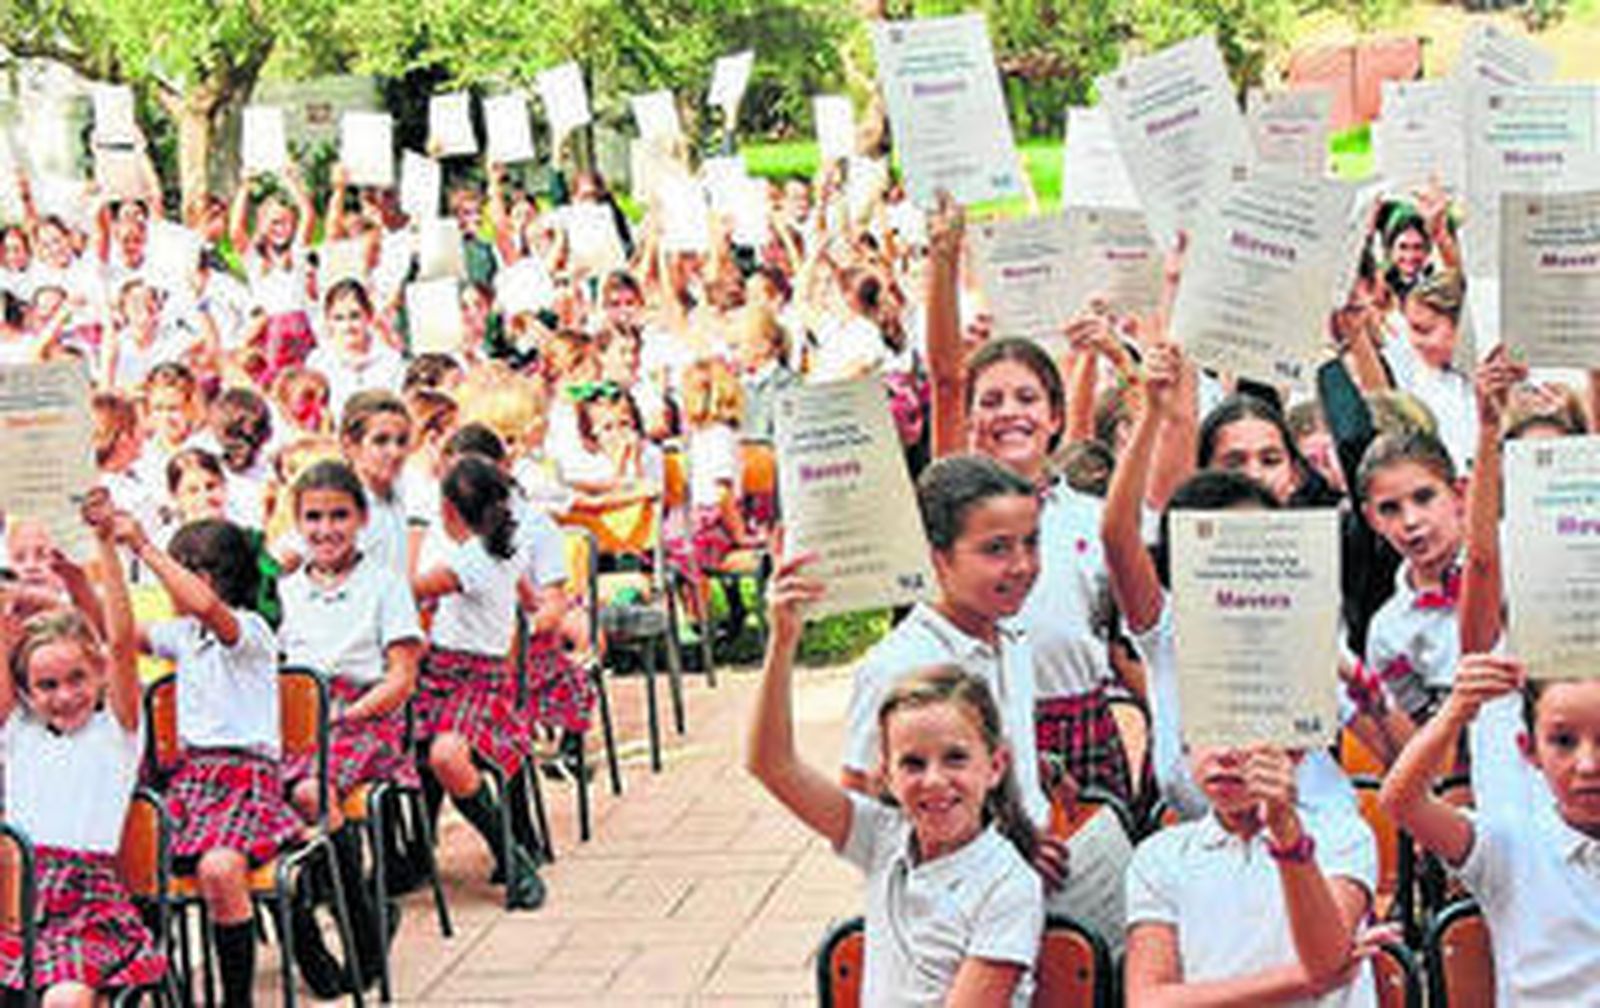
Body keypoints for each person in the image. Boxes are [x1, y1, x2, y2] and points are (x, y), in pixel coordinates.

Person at [748, 539, 1044, 1006]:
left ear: (996, 766)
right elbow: (772, 765)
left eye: (956, 758)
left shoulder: (1007, 884)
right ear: (884, 774)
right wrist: (783, 640)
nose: (934, 780)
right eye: (912, 763)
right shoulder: (883, 837)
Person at [842, 455, 1070, 892]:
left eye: (1031, 543)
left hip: (1031, 880)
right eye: (997, 549)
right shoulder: (901, 664)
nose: (1022, 565)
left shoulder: (1013, 638)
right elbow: (860, 802)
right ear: (936, 558)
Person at [117, 513, 300, 1008]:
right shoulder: (185, 636)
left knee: (220, 869)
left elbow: (206, 607)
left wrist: (144, 547)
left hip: (246, 781)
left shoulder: (251, 632)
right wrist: (54, 595)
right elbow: (120, 632)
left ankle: (235, 999)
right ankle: (153, 980)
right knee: (127, 851)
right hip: (191, 780)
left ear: (211, 578)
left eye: (182, 571)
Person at [0, 494, 167, 1005]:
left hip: (87, 908)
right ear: (26, 693)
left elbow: (118, 642)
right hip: (14, 898)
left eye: (77, 678)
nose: (66, 694)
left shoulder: (115, 730)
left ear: (96, 675)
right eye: (48, 686)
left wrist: (102, 546)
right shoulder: (18, 730)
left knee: (65, 999)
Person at [1378, 657, 1600, 1004]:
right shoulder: (1509, 844)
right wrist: (1455, 712)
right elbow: (1401, 802)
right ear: (1529, 751)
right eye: (1564, 741)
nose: (1588, 765)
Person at [276, 460, 419, 995]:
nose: (325, 529)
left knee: (312, 791)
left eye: (339, 515)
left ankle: (360, 932)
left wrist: (343, 714)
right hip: (294, 714)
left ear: (361, 519)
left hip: (364, 715)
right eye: (313, 517)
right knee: (256, 797)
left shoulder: (384, 585)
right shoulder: (286, 590)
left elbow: (401, 678)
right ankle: (310, 934)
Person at [1123, 744, 1379, 1006]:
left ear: (1294, 752)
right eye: (1205, 734)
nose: (1223, 754)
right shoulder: (1160, 855)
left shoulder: (1343, 835)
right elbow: (1147, 1000)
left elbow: (1325, 958)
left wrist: (1287, 836)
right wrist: (1301, 981)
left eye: (1242, 735)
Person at [411, 455, 546, 909]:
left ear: (449, 510)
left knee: (446, 755)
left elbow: (409, 590)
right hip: (442, 674)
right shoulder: (505, 546)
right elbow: (527, 596)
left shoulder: (468, 560)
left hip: (476, 680)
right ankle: (415, 853)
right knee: (409, 746)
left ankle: (512, 854)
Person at [1357, 431, 1466, 723]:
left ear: (1459, 494)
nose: (1411, 521)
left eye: (1424, 498)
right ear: (1372, 519)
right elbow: (1418, 731)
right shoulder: (1386, 632)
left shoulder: (1515, 557)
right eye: (1390, 509)